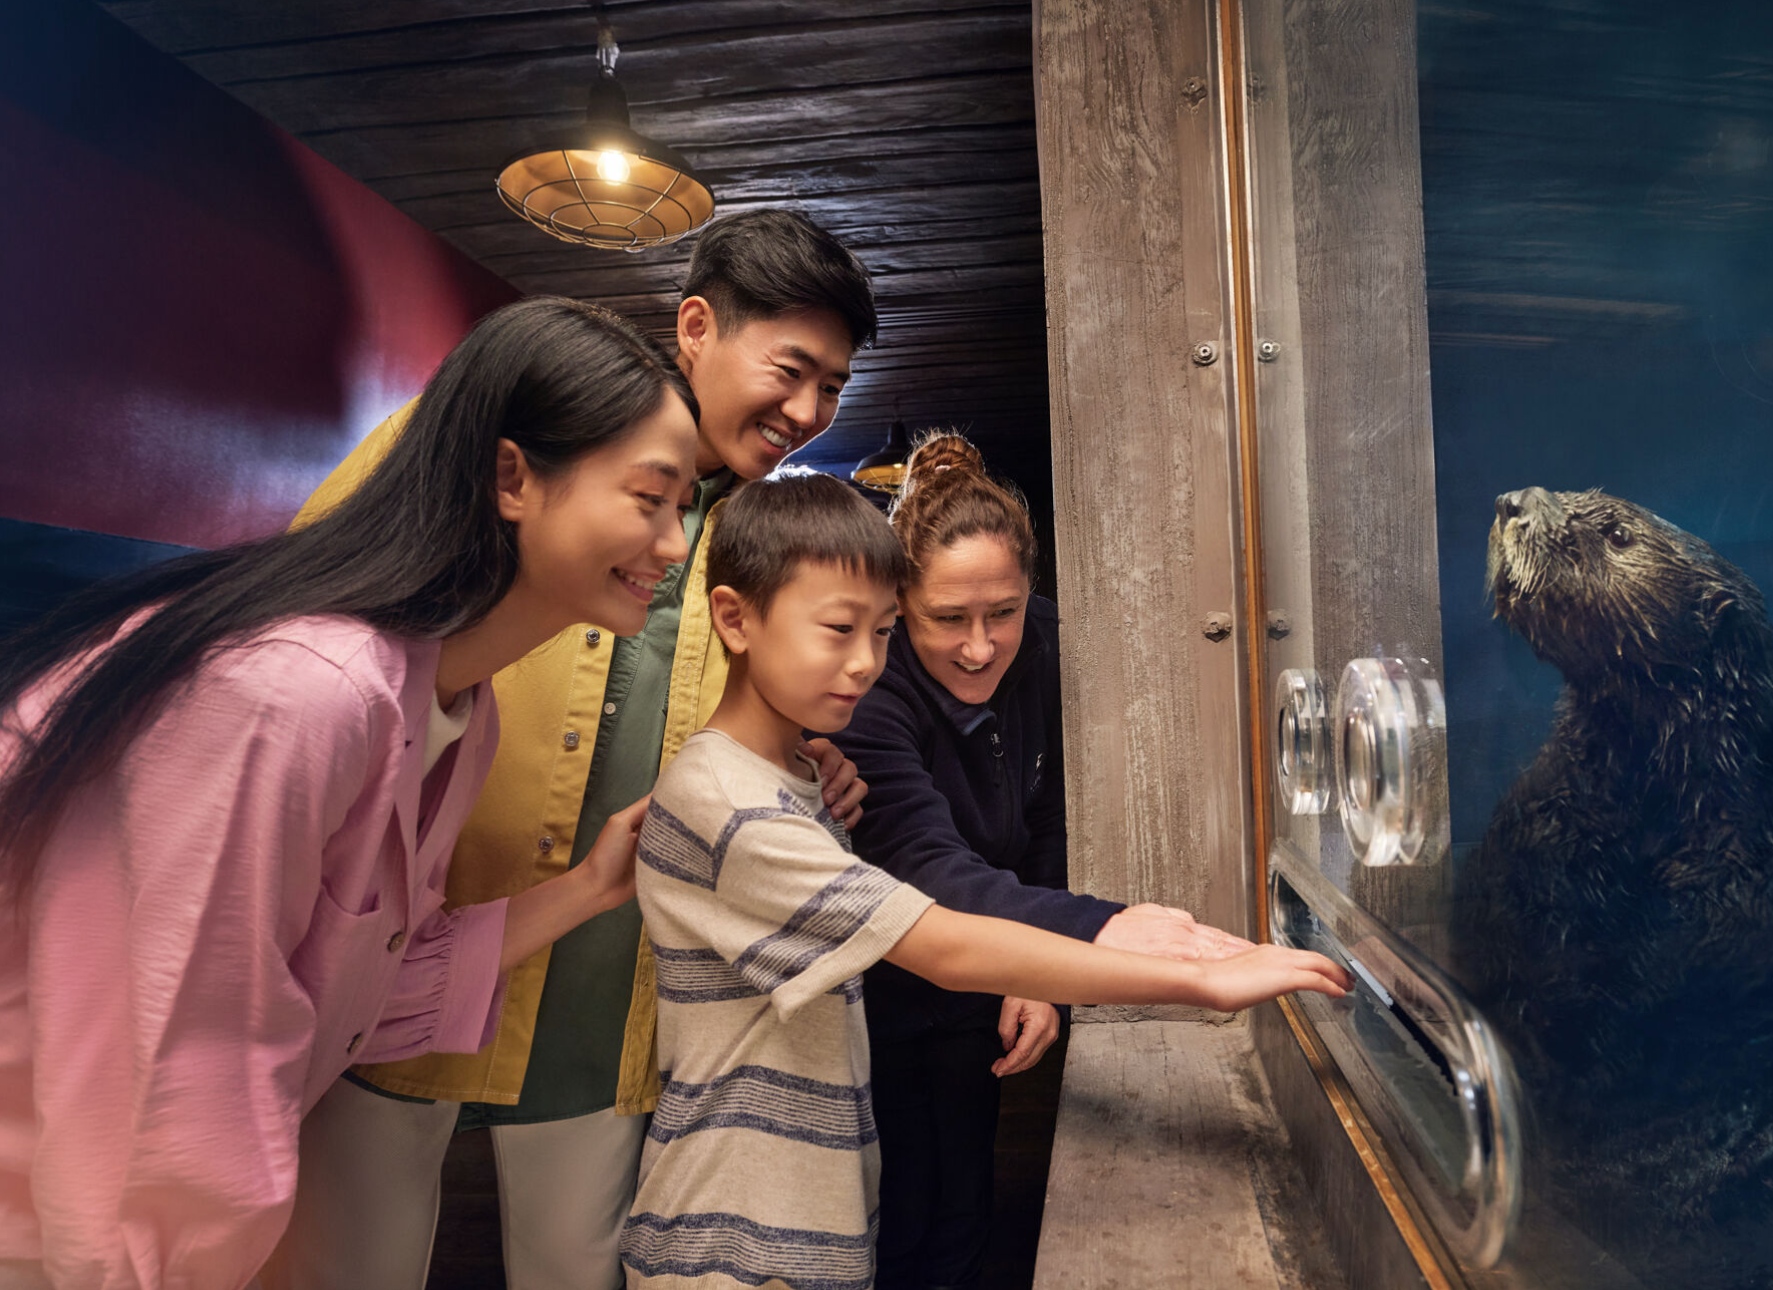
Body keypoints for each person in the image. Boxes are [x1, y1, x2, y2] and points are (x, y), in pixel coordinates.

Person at [0, 295, 700, 1290]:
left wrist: (592, 885)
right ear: (512, 478)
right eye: (650, 498)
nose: (673, 544)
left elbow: (363, 986)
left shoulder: (455, 708)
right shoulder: (296, 694)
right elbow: (157, 1103)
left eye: (684, 509)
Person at [270, 209, 881, 1290]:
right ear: (697, 328)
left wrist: (802, 763)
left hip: (602, 977)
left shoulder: (756, 537)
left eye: (830, 387)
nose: (806, 411)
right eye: (790, 370)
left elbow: (758, 709)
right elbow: (322, 626)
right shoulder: (504, 443)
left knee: (575, 1270)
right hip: (404, 946)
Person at [619, 471, 1349, 1290]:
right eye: (838, 630)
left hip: (810, 1219)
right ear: (734, 619)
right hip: (731, 1240)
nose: (864, 664)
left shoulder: (802, 773)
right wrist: (1190, 977)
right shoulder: (731, 800)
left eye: (881, 633)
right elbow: (944, 942)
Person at [830, 431, 1251, 1288]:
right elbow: (928, 866)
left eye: (1004, 613)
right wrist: (1097, 932)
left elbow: (1052, 818)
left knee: (965, 1196)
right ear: (899, 606)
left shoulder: (1050, 646)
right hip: (878, 983)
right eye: (948, 619)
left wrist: (1038, 973)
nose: (980, 647)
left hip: (987, 973)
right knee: (889, 1212)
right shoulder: (867, 689)